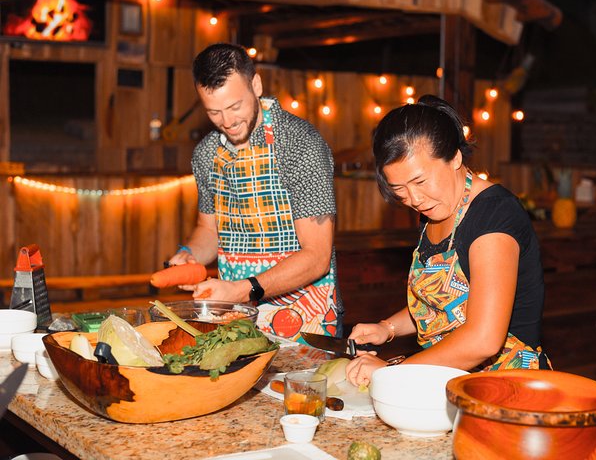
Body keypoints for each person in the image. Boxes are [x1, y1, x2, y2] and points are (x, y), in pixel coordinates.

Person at [345, 94, 549, 387]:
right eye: (400, 190)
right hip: (449, 381)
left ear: (455, 157)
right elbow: (442, 305)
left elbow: (484, 340)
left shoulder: (493, 216)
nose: (414, 199)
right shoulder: (434, 209)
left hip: (507, 387)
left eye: (420, 182)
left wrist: (392, 373)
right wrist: (386, 328)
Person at [169, 43, 341, 340]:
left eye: (235, 106)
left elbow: (317, 256)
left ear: (256, 84)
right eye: (214, 112)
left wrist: (242, 289)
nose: (227, 122)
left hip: (303, 317)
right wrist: (189, 255)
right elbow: (209, 231)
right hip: (234, 317)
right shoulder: (206, 153)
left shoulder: (301, 144)